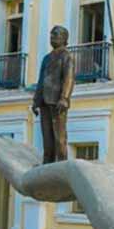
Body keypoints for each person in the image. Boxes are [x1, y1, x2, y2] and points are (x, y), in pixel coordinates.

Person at [32, 26, 75, 163]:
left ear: (64, 38)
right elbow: (41, 80)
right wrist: (36, 101)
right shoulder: (46, 58)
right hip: (45, 101)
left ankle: (62, 164)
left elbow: (69, 78)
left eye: (56, 34)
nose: (52, 37)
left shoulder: (66, 56)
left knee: (59, 137)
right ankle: (47, 164)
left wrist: (64, 98)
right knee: (47, 137)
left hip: (58, 102)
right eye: (51, 34)